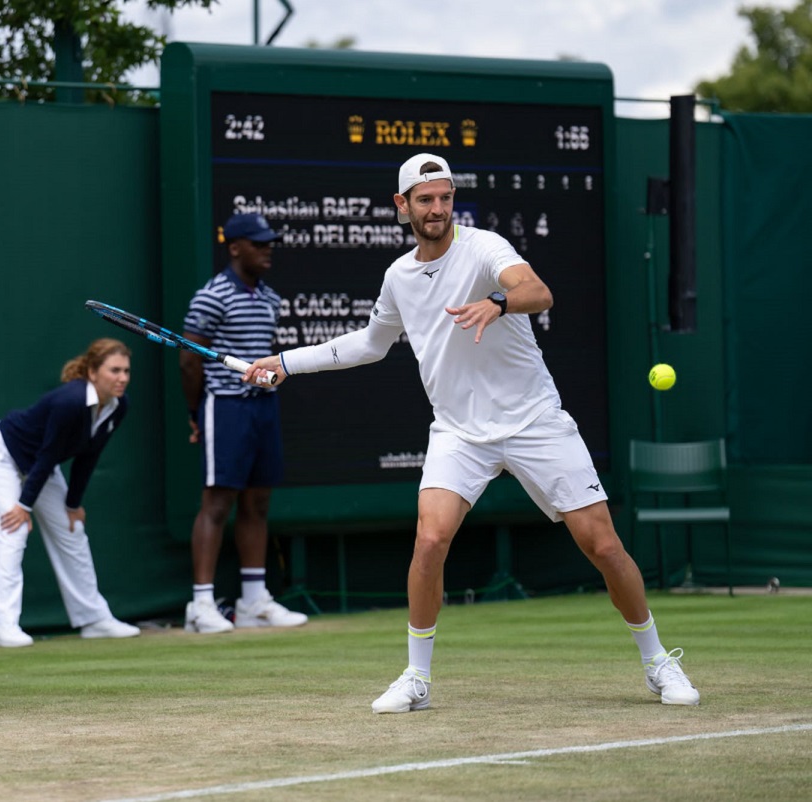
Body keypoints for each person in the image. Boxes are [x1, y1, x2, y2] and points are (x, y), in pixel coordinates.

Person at [242, 154, 700, 711]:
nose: (437, 208)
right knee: (430, 540)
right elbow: (368, 344)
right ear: (402, 206)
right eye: (426, 199)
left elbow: (538, 291)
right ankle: (416, 679)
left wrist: (498, 301)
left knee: (601, 543)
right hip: (459, 432)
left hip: (534, 419)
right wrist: (285, 362)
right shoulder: (398, 277)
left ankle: (657, 662)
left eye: (445, 197)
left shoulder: (485, 248)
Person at [179, 212, 308, 634]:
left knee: (258, 504)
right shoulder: (211, 296)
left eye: (270, 242)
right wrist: (196, 414)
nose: (267, 248)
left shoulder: (270, 297)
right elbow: (189, 360)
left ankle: (253, 601)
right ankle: (200, 605)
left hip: (263, 406)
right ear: (234, 247)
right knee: (217, 503)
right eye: (258, 243)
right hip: (226, 406)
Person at [0, 338, 141, 647]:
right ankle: (3, 627)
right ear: (92, 372)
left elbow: (89, 456)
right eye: (114, 370)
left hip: (37, 466)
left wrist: (73, 503)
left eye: (126, 371)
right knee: (14, 528)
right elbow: (48, 454)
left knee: (72, 528)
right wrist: (25, 505)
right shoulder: (69, 402)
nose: (123, 378)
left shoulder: (118, 407)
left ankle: (94, 618)